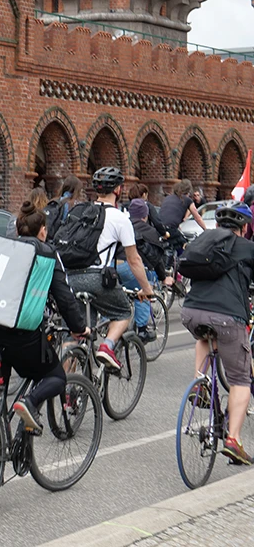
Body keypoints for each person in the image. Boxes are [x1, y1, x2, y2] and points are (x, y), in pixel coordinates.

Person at [0, 201, 90, 432]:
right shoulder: (47, 254)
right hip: (19, 337)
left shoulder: (3, 246)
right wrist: (79, 327)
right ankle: (30, 401)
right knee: (56, 377)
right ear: (43, 230)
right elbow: (64, 298)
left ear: (17, 229)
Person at [181, 202, 254, 464]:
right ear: (243, 227)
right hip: (227, 316)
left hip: (190, 312)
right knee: (241, 379)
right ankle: (233, 439)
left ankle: (200, 384)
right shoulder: (247, 247)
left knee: (204, 337)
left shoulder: (202, 240)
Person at [66, 167, 154, 370]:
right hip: (96, 278)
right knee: (123, 312)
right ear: (118, 190)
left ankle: (67, 389)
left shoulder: (81, 211)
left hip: (70, 277)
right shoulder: (120, 218)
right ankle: (107, 346)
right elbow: (134, 260)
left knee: (76, 333)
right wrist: (147, 289)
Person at [117, 199, 172, 343]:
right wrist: (163, 277)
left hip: (114, 266)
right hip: (130, 267)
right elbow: (156, 259)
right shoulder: (150, 231)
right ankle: (142, 330)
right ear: (145, 215)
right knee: (143, 288)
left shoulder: (122, 225)